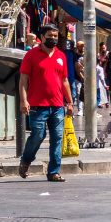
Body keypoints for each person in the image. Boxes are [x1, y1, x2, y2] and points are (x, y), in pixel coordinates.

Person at [17, 24, 74, 182]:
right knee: (38, 135)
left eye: (55, 36)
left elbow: (65, 81)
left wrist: (69, 102)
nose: (53, 39)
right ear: (42, 37)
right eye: (50, 36)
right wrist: (24, 100)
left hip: (57, 106)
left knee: (57, 138)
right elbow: (23, 80)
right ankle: (26, 160)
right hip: (37, 105)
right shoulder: (31, 55)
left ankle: (53, 172)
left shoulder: (61, 56)